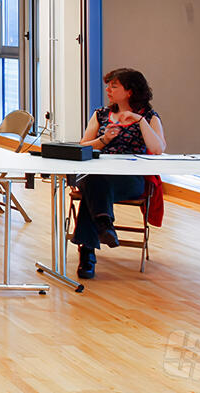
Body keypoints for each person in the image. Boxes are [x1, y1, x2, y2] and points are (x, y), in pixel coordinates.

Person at [72, 67, 167, 279]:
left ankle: (88, 251)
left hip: (129, 180)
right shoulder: (101, 114)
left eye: (114, 86)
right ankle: (104, 224)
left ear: (130, 91)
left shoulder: (149, 117)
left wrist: (139, 121)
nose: (108, 90)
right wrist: (104, 139)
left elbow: (158, 149)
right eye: (108, 85)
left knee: (92, 189)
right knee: (94, 180)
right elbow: (84, 146)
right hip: (96, 176)